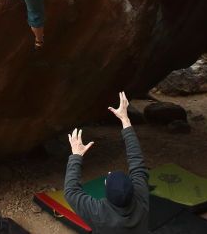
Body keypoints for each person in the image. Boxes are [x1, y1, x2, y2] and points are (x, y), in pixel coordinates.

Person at [63, 92, 149, 233]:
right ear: (133, 189)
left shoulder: (99, 213)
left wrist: (76, 155)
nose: (109, 173)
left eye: (108, 178)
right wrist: (125, 120)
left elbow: (71, 192)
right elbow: (137, 162)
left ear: (106, 193)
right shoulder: (141, 200)